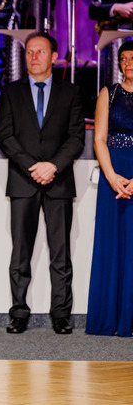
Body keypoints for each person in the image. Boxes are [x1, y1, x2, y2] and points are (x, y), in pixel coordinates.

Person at [0, 32, 85, 335]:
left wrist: (53, 166)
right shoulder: (11, 92)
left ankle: (61, 314)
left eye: (41, 51)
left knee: (61, 254)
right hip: (23, 181)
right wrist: (33, 167)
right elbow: (5, 136)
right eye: (29, 52)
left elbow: (76, 138)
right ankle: (18, 313)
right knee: (20, 253)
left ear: (54, 57)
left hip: (59, 183)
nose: (34, 57)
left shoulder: (71, 92)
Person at [85, 41, 133, 337]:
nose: (128, 63)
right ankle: (109, 318)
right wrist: (112, 176)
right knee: (111, 243)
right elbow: (99, 139)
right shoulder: (109, 93)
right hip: (112, 173)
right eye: (123, 58)